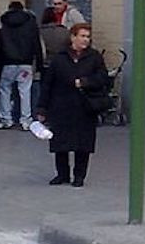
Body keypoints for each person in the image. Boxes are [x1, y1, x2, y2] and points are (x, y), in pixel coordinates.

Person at [37, 22, 107, 187]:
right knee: (60, 142)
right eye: (82, 36)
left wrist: (85, 82)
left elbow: (103, 78)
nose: (85, 40)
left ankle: (79, 175)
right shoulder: (60, 58)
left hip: (85, 106)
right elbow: (48, 84)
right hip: (61, 105)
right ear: (73, 37)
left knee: (83, 144)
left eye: (88, 37)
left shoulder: (95, 57)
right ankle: (62, 174)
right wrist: (42, 107)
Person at [0, 0, 43, 129]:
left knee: (5, 90)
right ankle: (26, 120)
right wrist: (39, 64)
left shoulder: (3, 22)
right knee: (25, 91)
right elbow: (36, 43)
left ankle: (6, 119)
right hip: (25, 63)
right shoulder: (30, 22)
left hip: (7, 62)